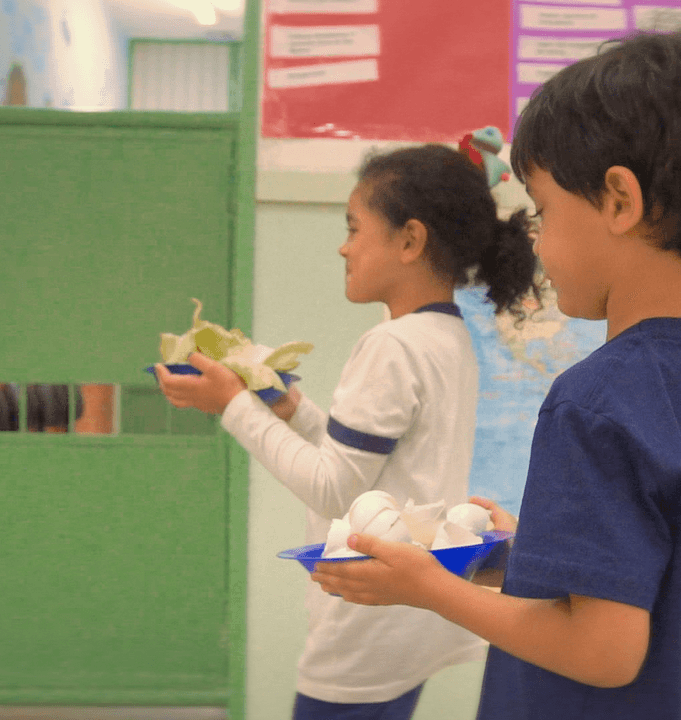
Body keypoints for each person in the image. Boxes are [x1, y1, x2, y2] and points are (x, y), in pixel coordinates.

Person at [310, 28, 681, 720]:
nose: (538, 238)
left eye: (545, 210)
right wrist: (529, 556)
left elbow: (603, 651)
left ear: (618, 200)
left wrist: (426, 587)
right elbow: (648, 578)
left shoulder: (595, 398)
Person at [154, 144, 540, 719]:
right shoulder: (446, 335)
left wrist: (232, 404)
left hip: (367, 624)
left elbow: (334, 489)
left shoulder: (391, 344)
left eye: (354, 228)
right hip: (412, 617)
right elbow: (369, 464)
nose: (344, 246)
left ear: (410, 241)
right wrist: (291, 410)